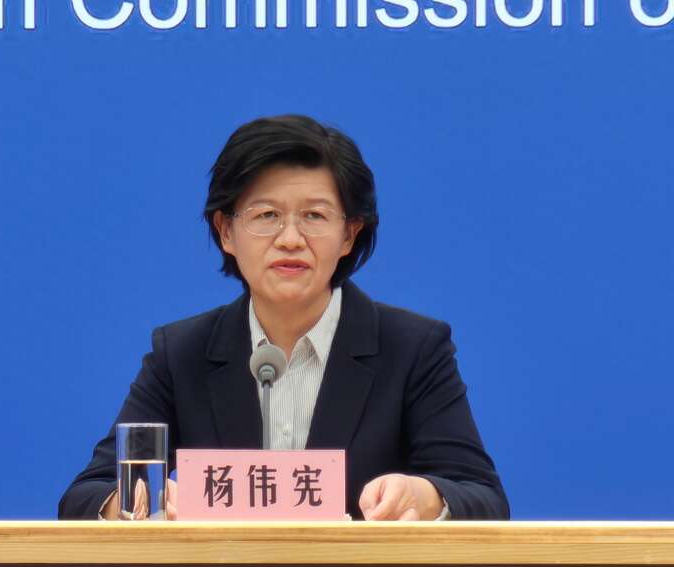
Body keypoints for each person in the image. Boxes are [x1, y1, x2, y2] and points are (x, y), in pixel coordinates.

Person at [58, 114, 509, 521]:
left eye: (314, 215)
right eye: (267, 215)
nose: (290, 238)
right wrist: (139, 500)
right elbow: (86, 495)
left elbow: (482, 497)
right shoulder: (182, 354)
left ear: (349, 234)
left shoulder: (412, 348)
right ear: (226, 231)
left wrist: (425, 496)